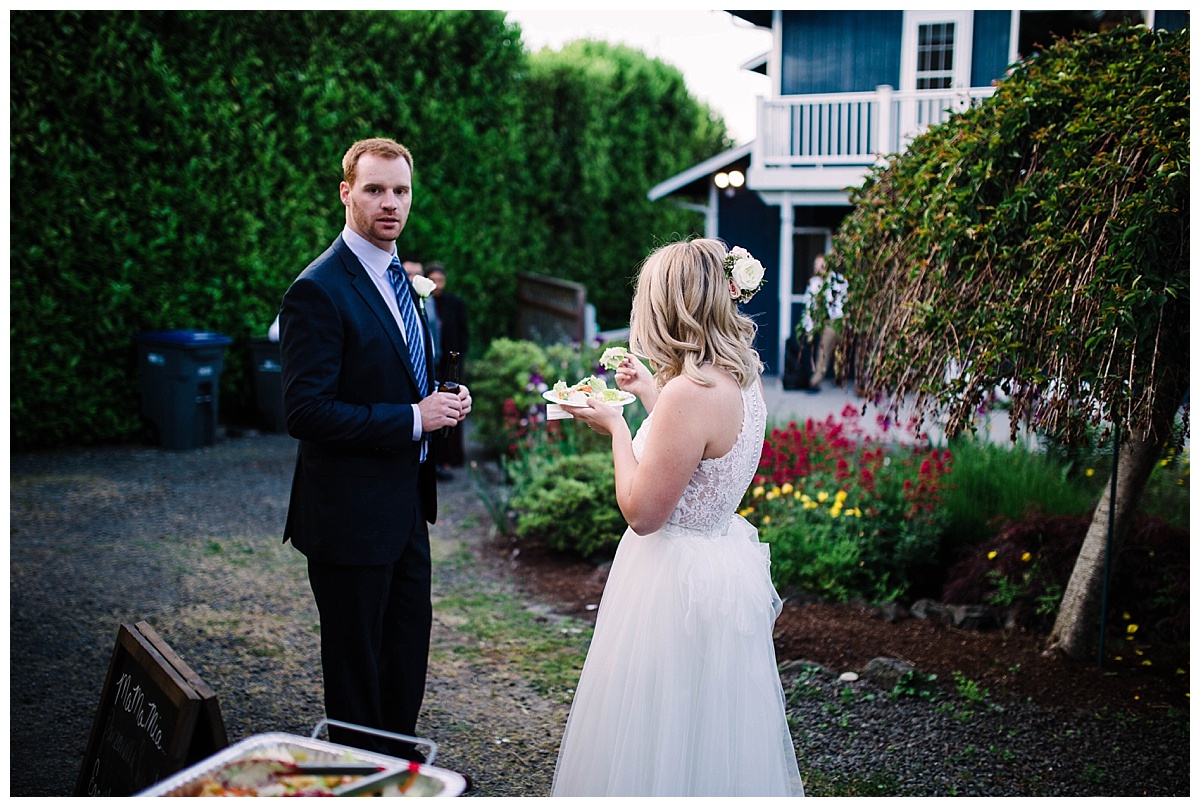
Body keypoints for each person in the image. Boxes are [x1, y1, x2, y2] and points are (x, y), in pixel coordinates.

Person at [551, 239, 804, 797]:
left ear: (669, 305)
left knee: (654, 728)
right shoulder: (741, 374)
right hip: (719, 562)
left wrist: (617, 430)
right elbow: (697, 452)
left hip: (671, 579)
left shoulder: (688, 394)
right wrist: (651, 393)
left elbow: (643, 512)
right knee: (707, 727)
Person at [277, 137, 472, 758]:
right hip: (349, 513)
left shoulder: (400, 278)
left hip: (407, 506)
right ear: (346, 192)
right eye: (375, 190)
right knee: (357, 668)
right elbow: (305, 412)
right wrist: (414, 418)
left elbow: (392, 368)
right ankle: (361, 776)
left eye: (401, 191)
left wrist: (441, 399)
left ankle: (397, 765)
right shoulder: (318, 288)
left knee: (408, 644)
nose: (391, 203)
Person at [424, 261, 470, 476]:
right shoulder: (423, 302)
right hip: (432, 362)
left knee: (454, 405)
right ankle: (436, 458)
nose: (438, 284)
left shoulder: (455, 303)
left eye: (440, 280)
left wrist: (458, 357)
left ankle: (452, 457)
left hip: (451, 363)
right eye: (433, 280)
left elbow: (463, 332)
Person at [799, 253, 847, 392]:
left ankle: (836, 377)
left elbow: (843, 301)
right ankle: (817, 379)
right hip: (824, 321)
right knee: (824, 348)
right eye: (816, 265)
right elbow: (809, 305)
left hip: (836, 320)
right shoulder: (815, 283)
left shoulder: (837, 281)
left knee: (835, 349)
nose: (817, 268)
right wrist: (808, 326)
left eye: (820, 265)